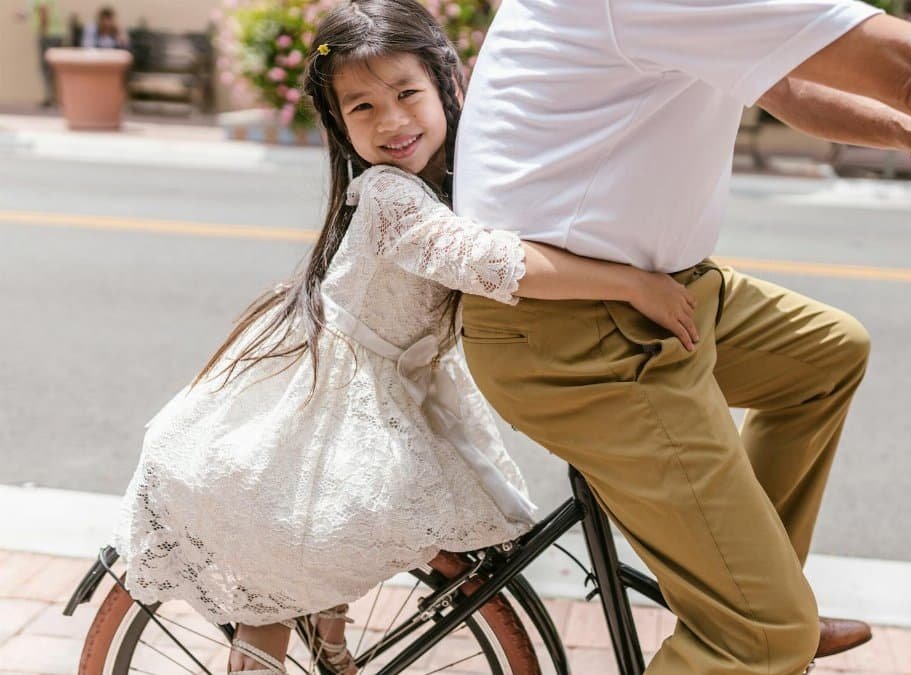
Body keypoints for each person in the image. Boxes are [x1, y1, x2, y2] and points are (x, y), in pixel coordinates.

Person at [453, 1, 911, 674]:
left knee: (823, 353)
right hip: (566, 329)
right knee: (761, 635)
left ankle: (743, 593)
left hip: (659, 296)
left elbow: (784, 85)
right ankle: (752, 629)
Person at [108, 2, 702, 672]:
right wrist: (628, 282)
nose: (390, 121)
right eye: (361, 108)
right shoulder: (390, 196)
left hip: (400, 384)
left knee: (340, 537)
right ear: (339, 124)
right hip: (333, 396)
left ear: (446, 83)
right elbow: (490, 260)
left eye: (406, 93)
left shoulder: (459, 173)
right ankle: (268, 645)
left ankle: (329, 644)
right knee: (291, 553)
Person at [16, 0, 66, 107]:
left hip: (48, 35)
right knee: (53, 68)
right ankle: (56, 98)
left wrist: (42, 32)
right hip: (55, 34)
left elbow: (44, 11)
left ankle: (51, 98)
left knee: (46, 67)